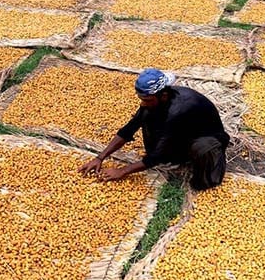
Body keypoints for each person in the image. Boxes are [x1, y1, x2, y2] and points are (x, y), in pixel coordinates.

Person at [78, 68, 230, 190]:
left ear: (163, 95)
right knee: (148, 118)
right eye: (141, 99)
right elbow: (129, 129)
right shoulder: (156, 100)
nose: (143, 104)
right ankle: (178, 154)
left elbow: (156, 157)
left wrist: (122, 171)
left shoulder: (179, 110)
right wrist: (100, 157)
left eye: (147, 100)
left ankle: (212, 170)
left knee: (202, 150)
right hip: (183, 131)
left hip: (206, 136)